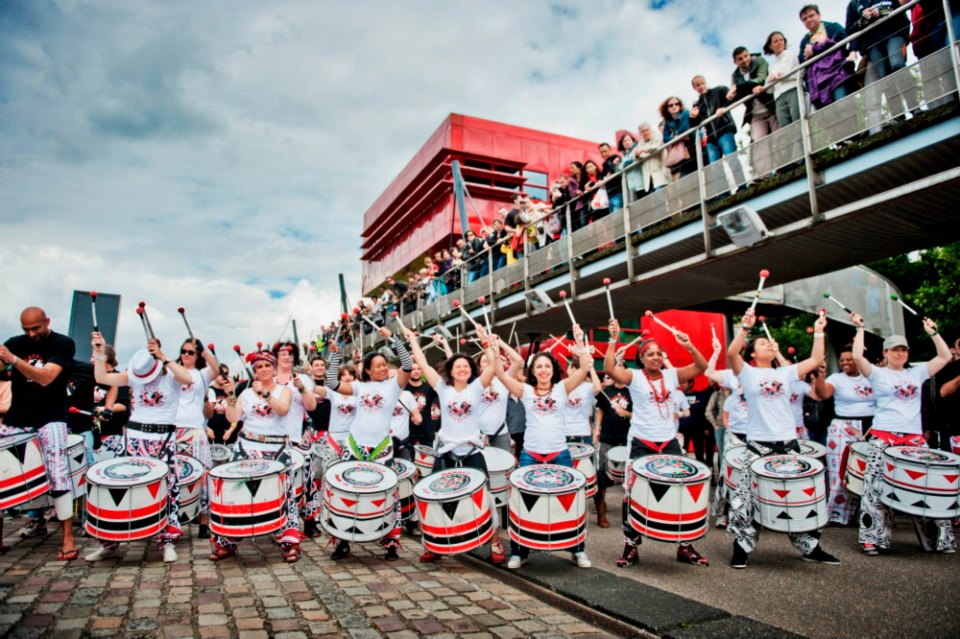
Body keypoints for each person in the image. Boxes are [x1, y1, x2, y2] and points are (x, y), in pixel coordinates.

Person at [726, 309, 841, 568]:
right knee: (745, 497)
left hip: (789, 443)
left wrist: (819, 329)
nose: (769, 344)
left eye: (770, 343)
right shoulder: (747, 373)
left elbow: (815, 358)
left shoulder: (785, 373)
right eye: (763, 343)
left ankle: (810, 547)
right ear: (753, 352)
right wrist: (744, 328)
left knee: (799, 496)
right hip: (757, 445)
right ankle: (741, 547)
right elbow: (732, 353)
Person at [603, 318, 711, 568]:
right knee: (632, 494)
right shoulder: (635, 377)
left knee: (681, 493)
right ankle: (631, 546)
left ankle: (685, 546)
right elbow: (610, 368)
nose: (655, 357)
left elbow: (702, 366)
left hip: (669, 444)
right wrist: (612, 339)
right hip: (642, 443)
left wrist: (689, 345)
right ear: (642, 358)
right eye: (650, 354)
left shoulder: (672, 375)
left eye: (658, 353)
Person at [850, 313, 956, 554]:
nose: (900, 353)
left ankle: (942, 539)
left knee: (932, 485)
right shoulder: (877, 374)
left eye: (904, 350)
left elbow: (945, 356)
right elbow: (857, 356)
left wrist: (933, 332)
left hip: (913, 439)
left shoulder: (916, 373)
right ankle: (873, 539)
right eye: (895, 350)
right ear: (886, 353)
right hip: (883, 436)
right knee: (874, 488)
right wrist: (860, 329)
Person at [493, 326, 594, 569]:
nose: (543, 370)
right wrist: (495, 346)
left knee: (570, 501)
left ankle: (577, 550)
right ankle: (519, 552)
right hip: (531, 454)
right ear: (533, 371)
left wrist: (579, 341)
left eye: (547, 366)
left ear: (553, 369)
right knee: (523, 502)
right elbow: (500, 374)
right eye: (539, 366)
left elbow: (585, 366)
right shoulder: (525, 390)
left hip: (560, 453)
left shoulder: (562, 388)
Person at [403, 325, 506, 565]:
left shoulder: (477, 387)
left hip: (471, 452)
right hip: (447, 451)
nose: (462, 368)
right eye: (458, 365)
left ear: (470, 371)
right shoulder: (442, 387)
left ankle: (495, 544)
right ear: (451, 370)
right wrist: (413, 342)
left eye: (466, 366)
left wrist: (488, 343)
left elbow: (492, 366)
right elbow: (423, 363)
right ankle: (434, 545)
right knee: (435, 498)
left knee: (486, 498)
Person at [89, 331, 194, 563]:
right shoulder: (135, 376)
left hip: (161, 439)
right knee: (117, 487)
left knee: (167, 490)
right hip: (133, 436)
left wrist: (164, 357)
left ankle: (166, 541)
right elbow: (103, 379)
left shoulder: (170, 377)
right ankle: (110, 542)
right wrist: (98, 354)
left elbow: (188, 378)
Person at [324, 327, 412, 561]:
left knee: (387, 493)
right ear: (368, 370)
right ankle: (343, 540)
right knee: (349, 493)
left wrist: (392, 339)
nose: (383, 368)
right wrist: (334, 356)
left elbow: (408, 366)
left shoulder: (394, 386)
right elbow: (332, 383)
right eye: (378, 365)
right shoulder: (359, 387)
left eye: (385, 364)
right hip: (355, 446)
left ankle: (391, 542)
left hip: (382, 448)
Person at [0, 308, 78, 561]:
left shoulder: (63, 343)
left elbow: (46, 378)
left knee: (58, 471)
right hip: (18, 416)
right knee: (2, 472)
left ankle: (67, 539)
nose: (31, 334)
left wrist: (13, 359)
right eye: (27, 330)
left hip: (51, 416)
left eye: (36, 328)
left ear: (47, 322)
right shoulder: (14, 343)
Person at [212, 351, 302, 562]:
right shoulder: (245, 393)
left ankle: (289, 541)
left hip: (276, 449)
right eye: (259, 367)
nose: (263, 369)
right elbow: (233, 417)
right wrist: (231, 396)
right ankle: (228, 541)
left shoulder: (284, 390)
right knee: (238, 495)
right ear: (255, 371)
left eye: (267, 366)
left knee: (283, 495)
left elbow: (282, 410)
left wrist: (266, 395)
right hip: (247, 447)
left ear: (274, 368)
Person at [812, 345, 875, 526]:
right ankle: (837, 516)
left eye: (849, 359)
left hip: (871, 426)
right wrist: (820, 376)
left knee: (867, 472)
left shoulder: (872, 376)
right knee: (840, 472)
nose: (845, 363)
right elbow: (823, 393)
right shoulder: (836, 378)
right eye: (842, 360)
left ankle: (866, 515)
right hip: (843, 426)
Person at [273, 341, 321, 537]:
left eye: (290, 353)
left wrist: (301, 388)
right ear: (276, 356)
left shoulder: (303, 379)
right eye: (283, 353)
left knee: (306, 479)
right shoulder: (270, 378)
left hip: (298, 436)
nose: (287, 357)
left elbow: (311, 407)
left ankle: (309, 521)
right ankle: (278, 520)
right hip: (274, 438)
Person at [173, 339, 219, 540]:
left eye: (191, 352)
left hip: (195, 429)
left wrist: (205, 350)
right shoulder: (171, 372)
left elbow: (216, 370)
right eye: (183, 351)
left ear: (197, 355)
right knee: (173, 476)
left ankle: (203, 521)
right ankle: (172, 520)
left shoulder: (201, 375)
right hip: (172, 428)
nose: (186, 355)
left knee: (202, 475)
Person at [846, 0, 915, 132]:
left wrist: (882, 11)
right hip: (872, 43)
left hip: (894, 32)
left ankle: (915, 107)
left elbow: (900, 4)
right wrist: (861, 21)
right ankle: (898, 115)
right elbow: (849, 29)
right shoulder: (854, 4)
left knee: (897, 64)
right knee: (884, 76)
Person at [728, 46, 779, 179]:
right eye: (740, 59)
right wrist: (741, 90)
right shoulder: (735, 76)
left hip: (771, 107)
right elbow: (737, 95)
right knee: (758, 142)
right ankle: (764, 175)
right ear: (735, 62)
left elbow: (761, 78)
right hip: (755, 113)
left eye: (746, 56)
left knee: (779, 136)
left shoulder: (759, 61)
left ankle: (784, 166)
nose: (744, 60)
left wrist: (739, 88)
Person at [690, 75, 747, 189]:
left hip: (724, 130)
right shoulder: (697, 104)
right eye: (697, 85)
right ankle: (723, 194)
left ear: (705, 82)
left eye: (702, 83)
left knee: (732, 159)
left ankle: (742, 187)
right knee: (715, 168)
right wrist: (692, 117)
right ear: (694, 88)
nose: (701, 87)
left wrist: (724, 107)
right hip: (711, 137)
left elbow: (732, 98)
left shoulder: (719, 90)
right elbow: (696, 125)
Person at [593, 369, 632, 529]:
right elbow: (601, 409)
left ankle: (631, 513)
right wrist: (597, 428)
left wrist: (627, 414)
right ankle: (601, 511)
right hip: (608, 438)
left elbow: (640, 413)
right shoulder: (607, 391)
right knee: (602, 473)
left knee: (629, 476)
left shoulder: (632, 391)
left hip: (627, 438)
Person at [799, 4, 856, 109]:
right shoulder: (805, 40)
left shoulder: (833, 27)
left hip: (838, 75)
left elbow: (845, 41)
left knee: (843, 107)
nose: (808, 20)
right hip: (819, 85)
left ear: (819, 15)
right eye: (804, 19)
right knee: (832, 116)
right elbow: (802, 60)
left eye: (811, 15)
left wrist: (816, 48)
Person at [477, 338, 523, 453]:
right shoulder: (474, 383)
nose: (488, 363)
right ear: (479, 367)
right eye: (484, 361)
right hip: (479, 434)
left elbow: (517, 361)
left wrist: (499, 342)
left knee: (504, 467)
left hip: (501, 433)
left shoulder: (503, 380)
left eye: (490, 360)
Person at [763, 31, 802, 127]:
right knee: (785, 125)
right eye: (775, 41)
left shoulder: (791, 55)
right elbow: (769, 90)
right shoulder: (771, 66)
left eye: (781, 40)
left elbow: (800, 73)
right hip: (779, 97)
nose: (779, 42)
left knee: (798, 120)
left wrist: (785, 76)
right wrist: (770, 80)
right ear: (770, 46)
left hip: (792, 90)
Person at [563, 357, 601, 445]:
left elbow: (598, 388)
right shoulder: (564, 386)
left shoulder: (588, 387)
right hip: (564, 432)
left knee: (584, 459)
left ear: (573, 370)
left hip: (583, 432)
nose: (567, 370)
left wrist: (591, 368)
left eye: (569, 367)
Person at [659, 96, 698, 179]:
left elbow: (685, 127)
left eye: (676, 104)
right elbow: (665, 139)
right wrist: (675, 137)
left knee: (704, 171)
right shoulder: (668, 122)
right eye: (671, 105)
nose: (674, 106)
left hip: (694, 148)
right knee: (685, 178)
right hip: (683, 153)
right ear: (667, 109)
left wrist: (675, 134)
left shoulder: (685, 112)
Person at [597, 142, 623, 211]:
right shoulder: (604, 165)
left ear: (610, 150)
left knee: (617, 216)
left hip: (617, 192)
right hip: (609, 194)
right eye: (601, 152)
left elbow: (616, 167)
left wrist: (610, 172)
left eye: (605, 151)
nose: (603, 154)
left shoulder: (615, 157)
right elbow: (601, 176)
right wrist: (601, 179)